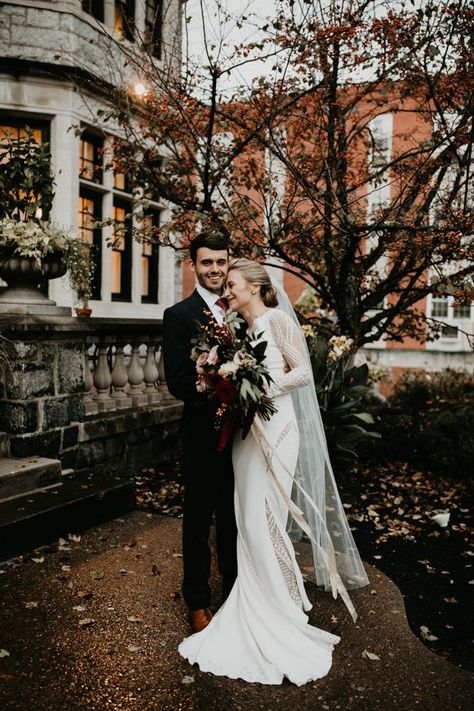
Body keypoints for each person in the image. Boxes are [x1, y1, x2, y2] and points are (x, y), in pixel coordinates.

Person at [178, 258, 369, 686]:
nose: (226, 290)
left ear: (254, 287)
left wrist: (259, 385)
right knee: (246, 519)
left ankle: (278, 609)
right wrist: (220, 380)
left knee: (266, 519)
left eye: (232, 284)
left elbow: (301, 372)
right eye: (225, 285)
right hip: (248, 434)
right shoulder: (238, 332)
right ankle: (256, 601)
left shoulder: (278, 320)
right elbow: (234, 377)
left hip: (278, 429)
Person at [162, 233, 238, 634]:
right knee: (198, 518)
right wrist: (212, 382)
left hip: (243, 435)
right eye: (206, 262)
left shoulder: (241, 309)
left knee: (234, 516)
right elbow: (176, 381)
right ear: (193, 264)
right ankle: (196, 599)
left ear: (229, 263)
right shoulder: (179, 315)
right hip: (202, 435)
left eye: (221, 262)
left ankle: (235, 591)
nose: (214, 269)